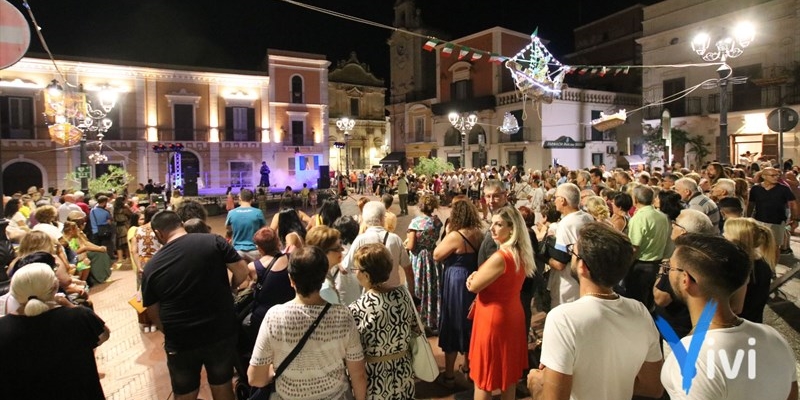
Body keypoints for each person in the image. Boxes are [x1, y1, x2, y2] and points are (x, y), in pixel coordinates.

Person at [527, 222, 664, 400]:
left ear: (583, 266)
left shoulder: (563, 319)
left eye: (573, 252)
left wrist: (536, 385)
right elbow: (652, 387)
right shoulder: (640, 312)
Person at [661, 233, 798, 400]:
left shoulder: (693, 359)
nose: (666, 272)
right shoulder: (774, 338)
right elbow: (791, 395)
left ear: (685, 279)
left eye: (670, 268)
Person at [142, 210, 249, 400]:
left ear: (158, 234)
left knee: (185, 392)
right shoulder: (214, 242)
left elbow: (152, 311)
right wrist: (231, 289)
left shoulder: (152, 266)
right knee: (222, 385)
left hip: (181, 339)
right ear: (181, 224)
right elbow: (241, 272)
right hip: (219, 331)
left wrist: (168, 329)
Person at [248, 246, 367, 400]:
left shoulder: (274, 317)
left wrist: (272, 371)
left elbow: (255, 378)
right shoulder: (343, 315)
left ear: (291, 280)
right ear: (324, 276)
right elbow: (358, 374)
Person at [0, 263, 110, 400]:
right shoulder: (78, 316)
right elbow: (103, 335)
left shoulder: (3, 328)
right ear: (54, 287)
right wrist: (70, 306)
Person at [467, 206, 535, 400]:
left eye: (499, 224)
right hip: (512, 314)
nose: (492, 229)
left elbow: (474, 286)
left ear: (512, 229)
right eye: (492, 224)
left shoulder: (500, 257)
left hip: (493, 317)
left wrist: (473, 277)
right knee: (509, 374)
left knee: (484, 377)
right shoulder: (520, 253)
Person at [349, 244, 418, 399]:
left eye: (356, 269)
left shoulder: (357, 308)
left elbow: (353, 352)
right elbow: (414, 327)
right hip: (403, 371)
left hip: (375, 377)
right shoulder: (403, 295)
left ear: (366, 275)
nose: (355, 273)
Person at [432, 199, 483, 387]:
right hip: (474, 278)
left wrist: (446, 233)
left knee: (453, 322)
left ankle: (449, 376)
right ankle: (469, 368)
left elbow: (436, 255)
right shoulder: (479, 233)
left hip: (456, 280)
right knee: (469, 322)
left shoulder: (455, 235)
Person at [340, 201, 412, 305]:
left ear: (364, 219)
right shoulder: (395, 239)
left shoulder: (360, 240)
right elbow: (408, 269)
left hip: (372, 299)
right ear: (383, 219)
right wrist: (411, 294)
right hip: (394, 296)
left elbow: (344, 268)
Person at [243, 227, 293, 347]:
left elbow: (249, 286)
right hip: (289, 309)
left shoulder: (253, 267)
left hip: (264, 314)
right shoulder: (292, 258)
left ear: (259, 247)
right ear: (277, 242)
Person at [546, 183, 593, 308]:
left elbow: (559, 263)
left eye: (555, 198)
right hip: (583, 280)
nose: (554, 201)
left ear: (563, 200)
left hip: (567, 283)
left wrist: (542, 254)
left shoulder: (566, 224)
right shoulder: (587, 217)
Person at [624, 184, 670, 309]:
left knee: (637, 304)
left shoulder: (639, 218)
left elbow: (634, 247)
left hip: (641, 266)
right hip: (657, 263)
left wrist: (626, 265)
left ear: (636, 200)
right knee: (650, 303)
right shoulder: (662, 216)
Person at [723, 218, 776, 323]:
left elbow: (735, 308)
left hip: (738, 328)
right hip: (753, 323)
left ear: (736, 240)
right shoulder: (763, 263)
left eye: (726, 233)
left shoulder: (741, 267)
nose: (723, 236)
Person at [405, 194, 443, 332]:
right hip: (432, 256)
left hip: (419, 258)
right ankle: (432, 319)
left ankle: (418, 320)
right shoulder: (437, 222)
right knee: (432, 287)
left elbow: (411, 246)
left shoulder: (416, 223)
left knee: (418, 287)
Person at [226, 188, 267, 262]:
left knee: (238, 273)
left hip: (237, 250)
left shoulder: (231, 213)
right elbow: (264, 230)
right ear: (252, 199)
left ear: (240, 198)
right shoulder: (258, 212)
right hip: (255, 249)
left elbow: (228, 228)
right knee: (256, 272)